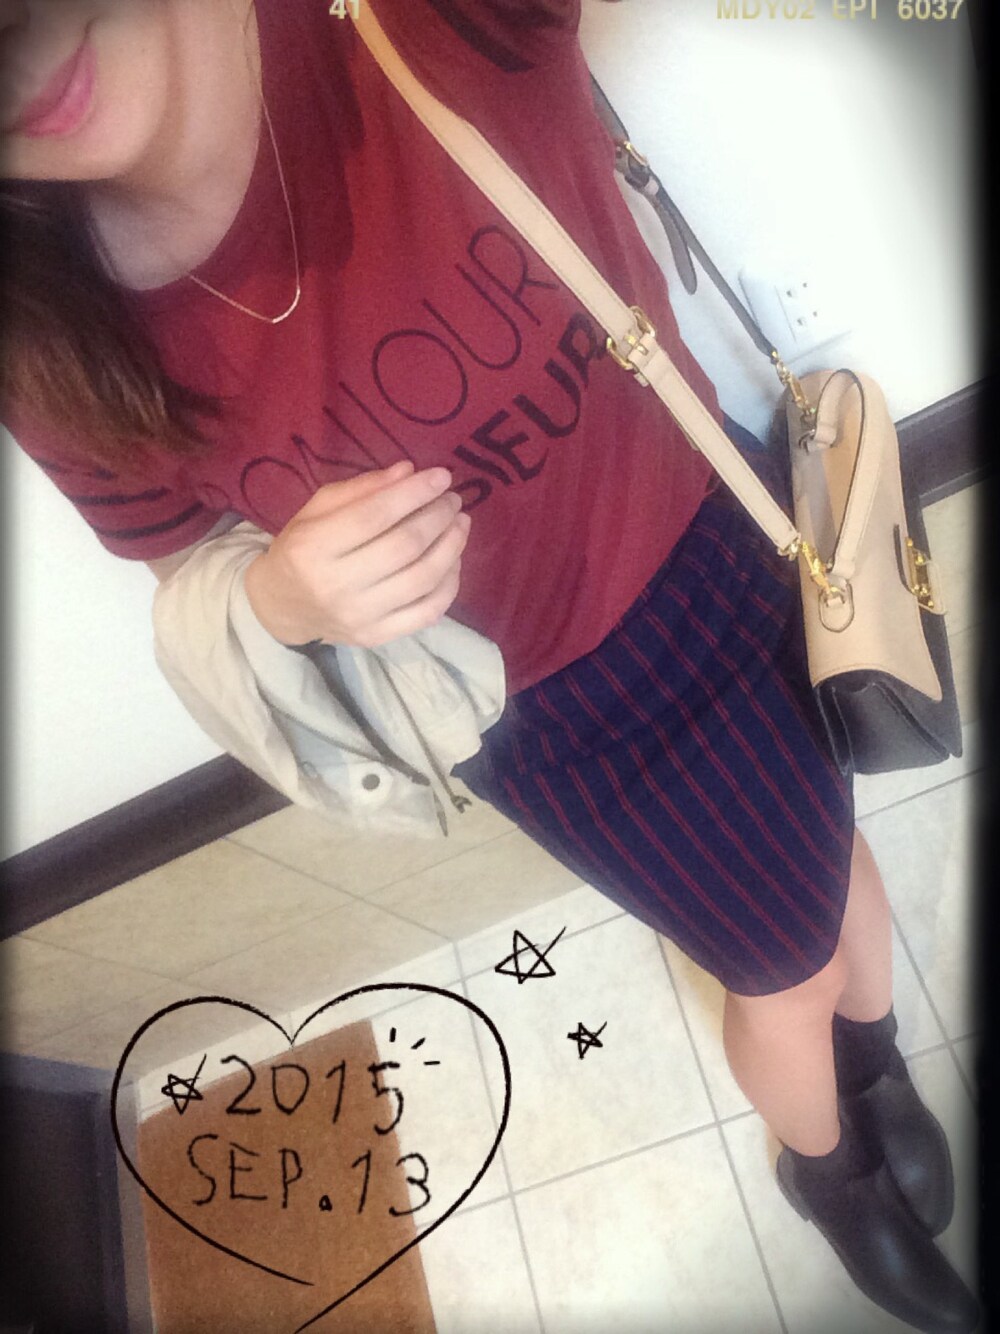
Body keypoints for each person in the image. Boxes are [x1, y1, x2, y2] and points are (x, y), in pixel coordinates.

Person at [0, 1, 979, 1329]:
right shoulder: (44, 327)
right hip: (554, 726)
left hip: (720, 540)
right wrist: (283, 595)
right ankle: (831, 1171)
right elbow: (185, 562)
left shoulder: (407, 21)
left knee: (826, 835)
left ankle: (868, 1065)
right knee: (782, 964)